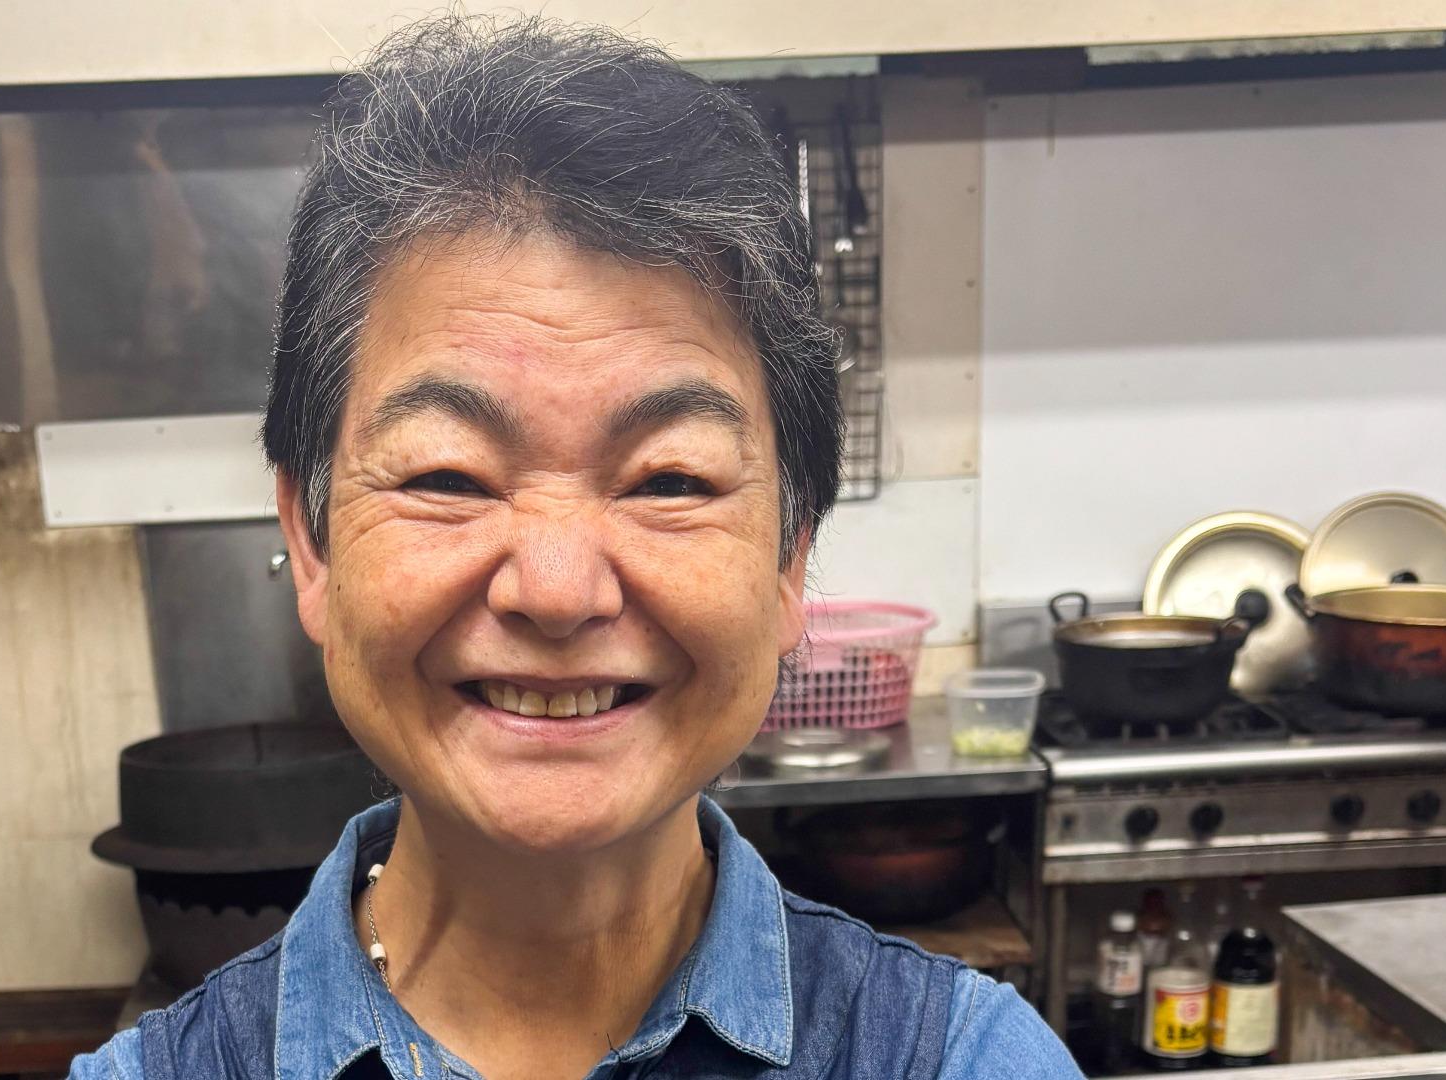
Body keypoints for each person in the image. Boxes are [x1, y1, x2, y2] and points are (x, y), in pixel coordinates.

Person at [72, 13, 1080, 1080]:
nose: (557, 590)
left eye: (669, 481)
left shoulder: (969, 1062)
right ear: (310, 542)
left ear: (790, 556)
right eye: (448, 477)